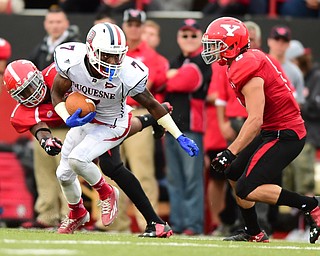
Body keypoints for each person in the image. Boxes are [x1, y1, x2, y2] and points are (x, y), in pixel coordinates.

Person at [50, 22, 199, 234]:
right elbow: (56, 94)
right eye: (107, 55)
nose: (113, 62)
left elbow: (152, 103)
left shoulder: (127, 73)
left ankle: (107, 192)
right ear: (91, 50)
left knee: (78, 159)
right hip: (87, 122)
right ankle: (77, 213)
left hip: (112, 125)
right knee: (63, 174)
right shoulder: (72, 61)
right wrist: (67, 117)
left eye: (117, 56)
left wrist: (178, 135)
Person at [3, 59, 176, 237]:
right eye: (23, 93)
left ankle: (127, 205)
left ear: (38, 75)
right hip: (82, 125)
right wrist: (46, 142)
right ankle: (77, 212)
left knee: (110, 166)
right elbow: (38, 127)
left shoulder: (60, 72)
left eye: (31, 86)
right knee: (63, 174)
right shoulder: (22, 111)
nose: (31, 94)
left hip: (104, 111)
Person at [201, 16, 320, 244]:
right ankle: (253, 231)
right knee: (233, 172)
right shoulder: (245, 59)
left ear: (233, 44)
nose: (212, 50)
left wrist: (229, 151)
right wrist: (231, 157)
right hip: (274, 129)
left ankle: (313, 205)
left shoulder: (246, 65)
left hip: (286, 134)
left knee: (246, 187)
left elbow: (254, 120)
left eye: (217, 45)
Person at [120, 9, 168, 231]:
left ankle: (148, 221)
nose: (133, 28)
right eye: (129, 24)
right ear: (124, 26)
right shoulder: (115, 50)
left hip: (138, 111)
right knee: (110, 171)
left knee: (143, 170)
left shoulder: (153, 57)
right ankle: (112, 223)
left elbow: (154, 83)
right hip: (113, 112)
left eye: (137, 24)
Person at [164, 18, 211, 235]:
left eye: (193, 35)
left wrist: (170, 77)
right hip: (170, 127)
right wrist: (169, 76)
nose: (189, 39)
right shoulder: (175, 61)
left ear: (201, 38)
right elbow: (159, 82)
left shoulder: (203, 60)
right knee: (174, 178)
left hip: (192, 127)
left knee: (192, 178)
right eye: (185, 35)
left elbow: (185, 81)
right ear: (178, 38)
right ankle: (178, 222)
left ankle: (193, 224)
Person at [29, 5, 81, 70]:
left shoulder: (74, 47)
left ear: (67, 23)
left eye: (58, 22)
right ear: (45, 24)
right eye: (51, 22)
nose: (55, 26)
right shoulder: (41, 47)